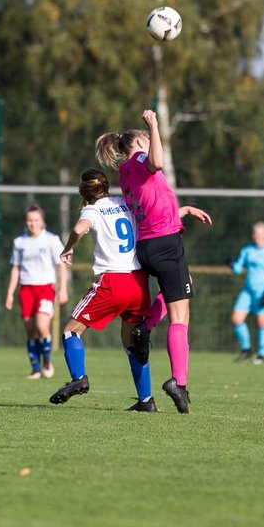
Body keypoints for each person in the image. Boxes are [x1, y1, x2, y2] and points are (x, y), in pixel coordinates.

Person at [49, 168, 212, 412]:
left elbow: (79, 229)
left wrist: (68, 247)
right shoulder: (126, 203)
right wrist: (185, 211)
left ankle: (78, 378)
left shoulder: (91, 210)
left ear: (83, 192)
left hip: (113, 282)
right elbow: (155, 221)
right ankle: (146, 400)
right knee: (131, 343)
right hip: (139, 282)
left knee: (71, 331)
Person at [95, 109, 212, 413]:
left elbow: (151, 200)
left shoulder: (125, 173)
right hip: (165, 242)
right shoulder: (138, 161)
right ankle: (179, 382)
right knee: (180, 317)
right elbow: (157, 162)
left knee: (185, 286)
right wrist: (154, 126)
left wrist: (180, 210)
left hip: (147, 245)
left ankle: (145, 326)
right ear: (142, 143)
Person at [5, 204, 68, 380]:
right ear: (26, 222)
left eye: (36, 220)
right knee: (30, 331)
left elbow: (61, 265)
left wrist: (62, 289)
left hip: (45, 287)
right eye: (30, 221)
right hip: (26, 289)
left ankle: (47, 361)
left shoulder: (51, 240)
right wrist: (10, 293)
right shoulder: (20, 242)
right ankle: (35, 368)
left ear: (42, 222)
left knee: (41, 327)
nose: (33, 224)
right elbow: (15, 268)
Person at [229, 221, 264, 364]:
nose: (255, 235)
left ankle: (262, 354)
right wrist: (231, 264)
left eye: (258, 232)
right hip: (248, 291)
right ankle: (246, 349)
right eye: (254, 232)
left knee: (262, 321)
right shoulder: (247, 250)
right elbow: (238, 268)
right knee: (236, 318)